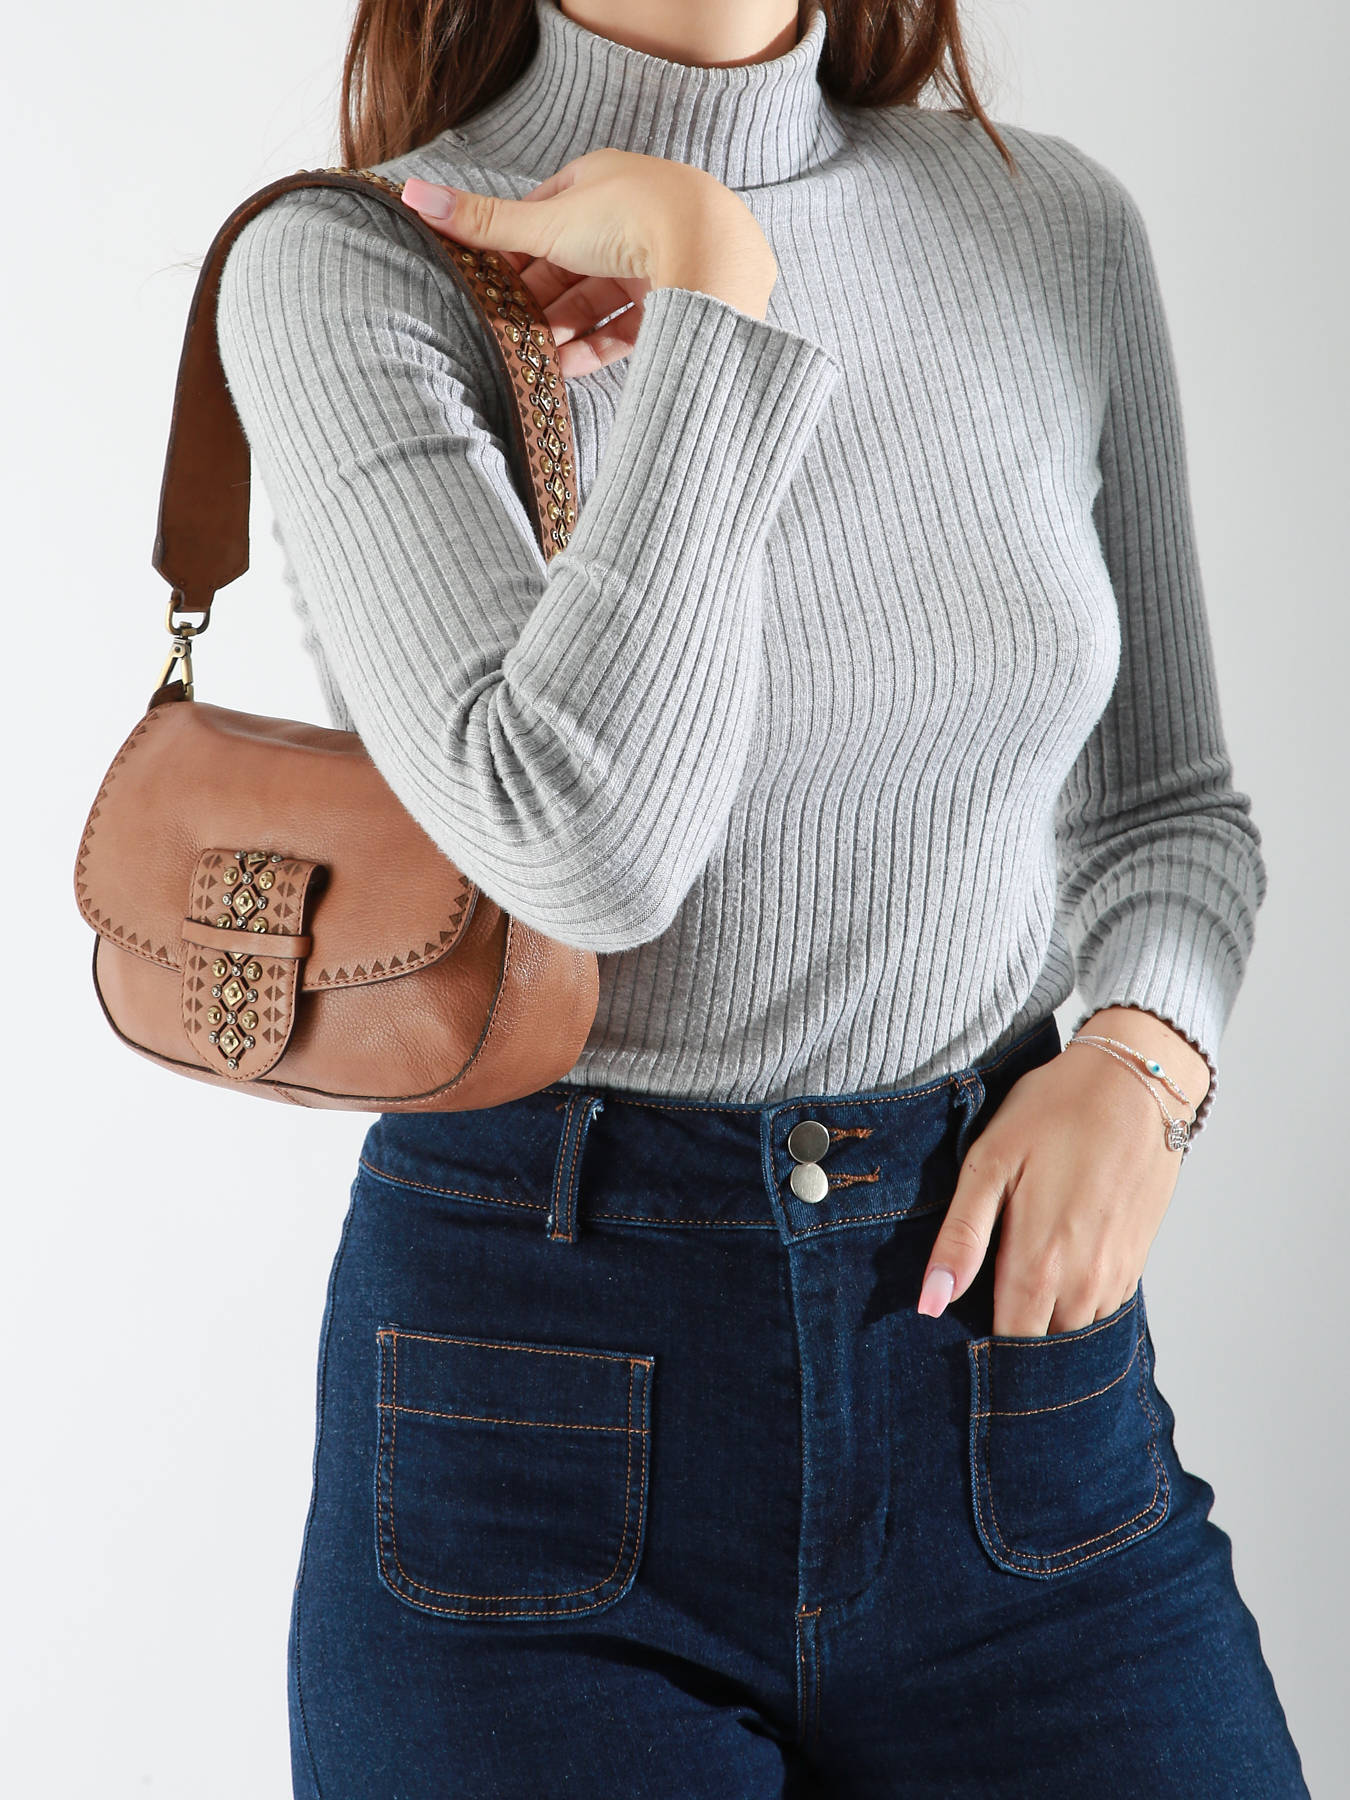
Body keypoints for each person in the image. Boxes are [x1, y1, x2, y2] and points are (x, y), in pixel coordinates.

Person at [215, 1, 1309, 1793]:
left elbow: (1166, 810)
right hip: (531, 1414)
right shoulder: (365, 263)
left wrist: (1141, 1066)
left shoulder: (1049, 223)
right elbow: (583, 849)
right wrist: (713, 293)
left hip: (1012, 1392)